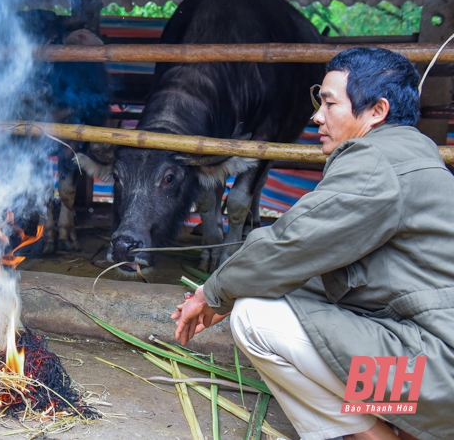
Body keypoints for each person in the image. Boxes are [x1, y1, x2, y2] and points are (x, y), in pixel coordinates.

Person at [171, 47, 454, 440]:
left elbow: (292, 244)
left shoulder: (376, 163)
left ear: (377, 111)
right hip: (435, 373)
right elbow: (320, 265)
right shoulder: (409, 153)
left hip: (430, 378)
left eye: (329, 103)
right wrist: (231, 289)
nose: (316, 116)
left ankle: (377, 436)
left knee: (256, 319)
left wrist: (215, 292)